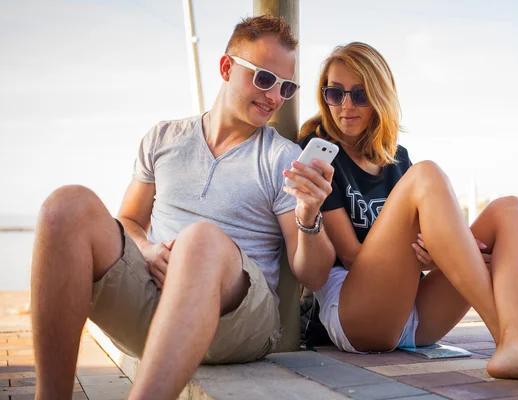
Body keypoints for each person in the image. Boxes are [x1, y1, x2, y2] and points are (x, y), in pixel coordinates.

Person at [31, 15, 336, 400]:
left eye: (286, 87)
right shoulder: (164, 137)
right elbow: (128, 220)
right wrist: (147, 249)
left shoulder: (281, 159)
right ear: (227, 68)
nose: (275, 95)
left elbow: (315, 273)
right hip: (154, 301)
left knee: (201, 240)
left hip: (238, 322)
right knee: (65, 206)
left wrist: (309, 216)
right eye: (264, 78)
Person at [295, 42, 518, 392]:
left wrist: (440, 257)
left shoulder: (396, 157)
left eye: (359, 94)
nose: (345, 105)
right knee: (427, 174)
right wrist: (436, 254)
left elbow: (419, 248)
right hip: (356, 316)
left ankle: (516, 338)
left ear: (380, 96)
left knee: (510, 209)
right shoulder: (318, 153)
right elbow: (352, 256)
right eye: (335, 93)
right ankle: (513, 341)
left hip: (415, 313)